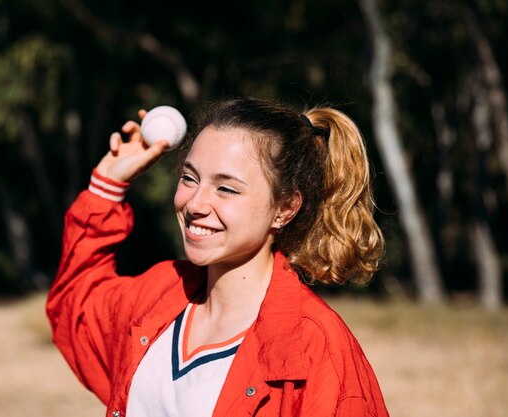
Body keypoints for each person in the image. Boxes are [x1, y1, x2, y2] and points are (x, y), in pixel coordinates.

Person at [46, 97, 389, 417]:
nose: (195, 204)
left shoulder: (317, 349)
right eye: (189, 178)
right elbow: (77, 307)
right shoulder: (161, 294)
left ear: (285, 208)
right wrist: (107, 185)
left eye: (226, 188)